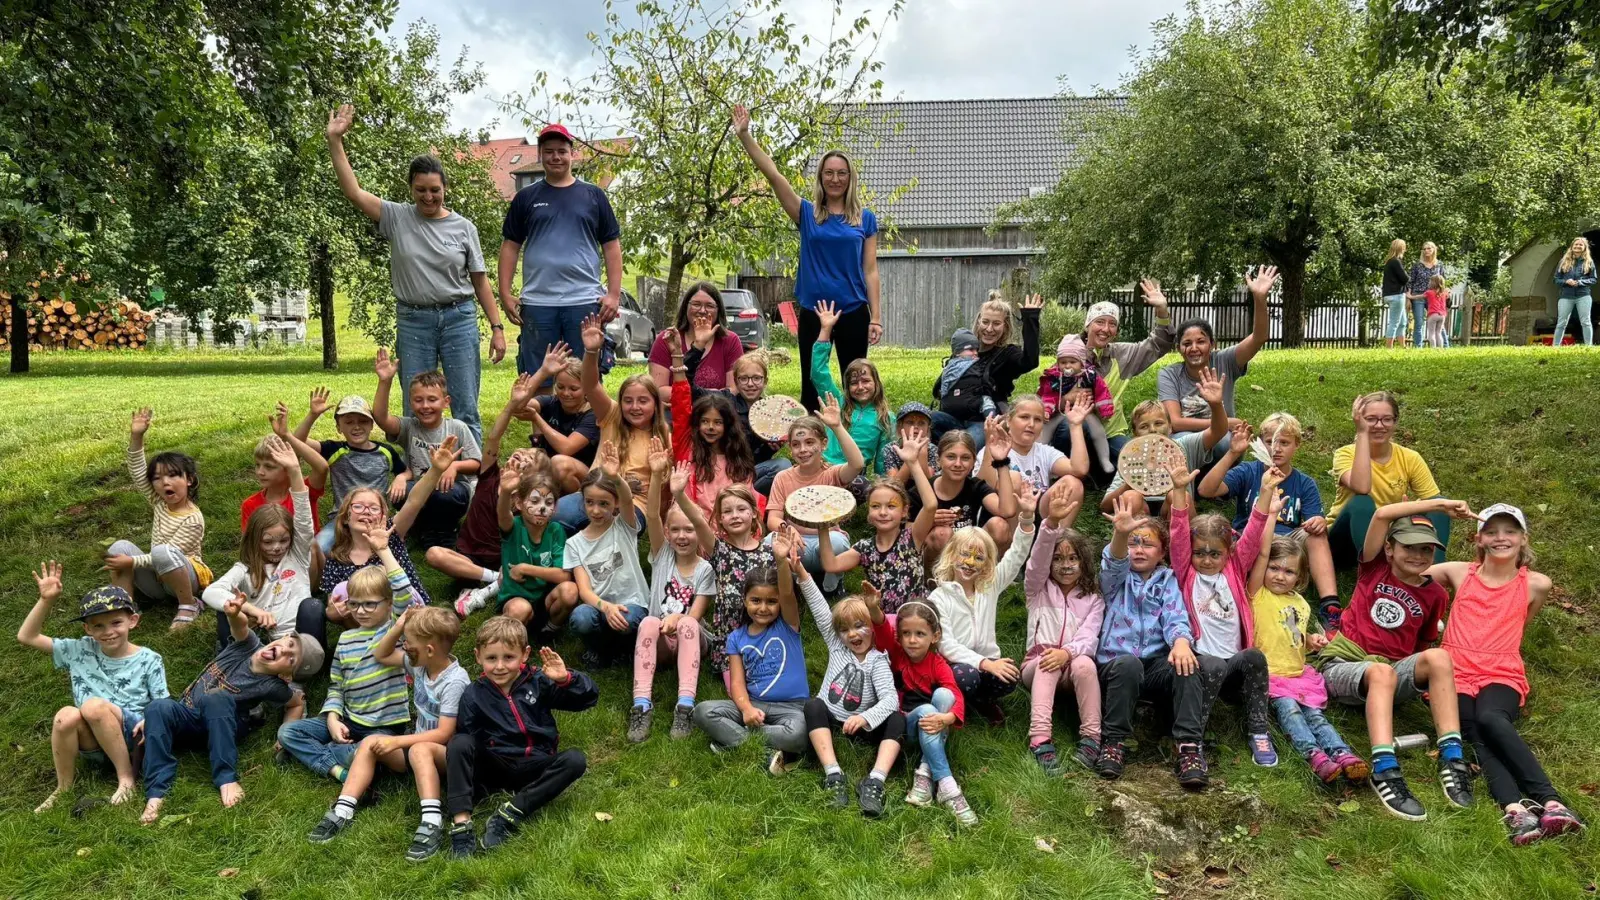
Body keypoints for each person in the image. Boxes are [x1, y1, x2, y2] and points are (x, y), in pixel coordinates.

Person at [326, 104, 504, 441]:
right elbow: (353, 192)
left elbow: (480, 280)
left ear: (445, 188)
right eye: (421, 189)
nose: (428, 196)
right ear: (411, 189)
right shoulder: (397, 217)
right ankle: (417, 477)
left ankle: (472, 482)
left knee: (465, 405)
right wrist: (336, 141)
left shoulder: (464, 227)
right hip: (414, 321)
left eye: (435, 190)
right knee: (416, 408)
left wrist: (496, 328)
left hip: (459, 318)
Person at [1313, 497, 1479, 821]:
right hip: (1346, 666)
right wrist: (1442, 505)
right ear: (1389, 548)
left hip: (1392, 676)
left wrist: (1419, 678)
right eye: (1409, 547)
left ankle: (1452, 757)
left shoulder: (1436, 595)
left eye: (1426, 550)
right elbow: (1381, 514)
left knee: (1439, 657)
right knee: (1381, 674)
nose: (1417, 556)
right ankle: (1384, 768)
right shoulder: (1374, 566)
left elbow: (1424, 643)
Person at [1429, 504, 1585, 844]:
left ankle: (1551, 800)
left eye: (1510, 531)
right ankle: (1516, 809)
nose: (1501, 537)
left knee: (1491, 719)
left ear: (1523, 538)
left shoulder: (1536, 584)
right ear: (1479, 538)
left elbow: (1519, 625)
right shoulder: (1459, 572)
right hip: (1454, 670)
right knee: (1474, 733)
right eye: (1492, 531)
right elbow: (1410, 573)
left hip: (1500, 669)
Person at [733, 104, 880, 412]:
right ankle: (813, 445)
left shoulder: (864, 219)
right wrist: (746, 135)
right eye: (829, 173)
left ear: (850, 177)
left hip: (853, 310)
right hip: (814, 310)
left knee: (856, 383)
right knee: (812, 382)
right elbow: (772, 174)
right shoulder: (806, 213)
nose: (835, 179)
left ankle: (856, 444)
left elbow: (870, 270)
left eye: (841, 173)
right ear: (821, 177)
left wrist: (876, 317)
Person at [306, 607, 470, 862]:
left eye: (409, 642)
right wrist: (399, 625)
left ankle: (432, 821)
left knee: (419, 749)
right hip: (415, 749)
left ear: (429, 650)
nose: (404, 645)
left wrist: (396, 741)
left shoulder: (455, 681)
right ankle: (344, 809)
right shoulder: (420, 665)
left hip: (445, 755)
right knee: (370, 742)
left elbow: (445, 733)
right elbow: (381, 654)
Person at [140, 595, 318, 824]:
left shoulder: (271, 684)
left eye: (291, 659)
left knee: (216, 698)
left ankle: (226, 778)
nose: (284, 650)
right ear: (284, 637)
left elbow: (295, 702)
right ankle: (156, 793)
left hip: (223, 724)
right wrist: (234, 613)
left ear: (286, 675)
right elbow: (240, 625)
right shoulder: (249, 645)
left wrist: (284, 734)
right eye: (289, 644)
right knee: (157, 707)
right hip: (189, 718)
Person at [277, 522, 420, 783]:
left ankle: (336, 756)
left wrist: (384, 551)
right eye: (355, 604)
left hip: (383, 726)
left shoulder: (395, 630)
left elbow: (404, 592)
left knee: (372, 748)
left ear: (389, 606)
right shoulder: (345, 639)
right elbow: (337, 685)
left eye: (370, 604)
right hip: (349, 721)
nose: (362, 610)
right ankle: (338, 769)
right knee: (287, 733)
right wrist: (332, 718)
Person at [446, 618, 597, 858]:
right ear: (478, 657)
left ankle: (511, 812)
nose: (499, 666)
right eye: (491, 658)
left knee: (575, 760)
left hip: (535, 764)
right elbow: (469, 738)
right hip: (497, 765)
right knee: (459, 742)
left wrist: (565, 679)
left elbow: (588, 699)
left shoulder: (538, 682)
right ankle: (462, 826)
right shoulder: (473, 695)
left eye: (508, 657)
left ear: (525, 654)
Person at [20, 570, 167, 813]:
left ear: (133, 621)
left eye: (116, 622)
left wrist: (149, 722)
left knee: (92, 706)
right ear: (88, 629)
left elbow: (163, 706)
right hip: (95, 740)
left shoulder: (149, 659)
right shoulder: (79, 650)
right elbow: (27, 636)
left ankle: (126, 778)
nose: (108, 631)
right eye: (98, 626)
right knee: (66, 714)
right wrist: (46, 600)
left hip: (135, 736)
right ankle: (63, 787)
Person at [1168, 464, 1279, 768]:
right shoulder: (1185, 572)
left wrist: (1266, 490)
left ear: (1228, 553)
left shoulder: (1235, 568)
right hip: (1202, 662)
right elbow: (1178, 535)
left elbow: (1254, 534)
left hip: (1234, 663)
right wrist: (1180, 493)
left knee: (1255, 656)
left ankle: (1258, 730)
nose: (1205, 559)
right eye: (1199, 552)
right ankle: (1194, 737)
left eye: (1214, 553)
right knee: (1214, 664)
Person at [1094, 492, 1207, 788]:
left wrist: (1182, 642)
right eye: (1134, 543)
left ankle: (1189, 748)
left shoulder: (1167, 579)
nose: (1139, 550)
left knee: (1187, 663)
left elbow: (1175, 617)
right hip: (1115, 664)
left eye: (1148, 544)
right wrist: (1121, 533)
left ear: (1162, 553)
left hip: (1155, 664)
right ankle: (1114, 742)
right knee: (1129, 664)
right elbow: (1113, 562)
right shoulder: (1116, 580)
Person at [498, 122, 623, 381]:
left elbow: (611, 246)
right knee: (537, 379)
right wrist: (505, 292)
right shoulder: (525, 198)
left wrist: (612, 294)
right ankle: (542, 423)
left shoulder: (594, 196)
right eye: (550, 151)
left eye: (562, 151)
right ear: (540, 154)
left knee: (585, 378)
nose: (556, 157)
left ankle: (586, 424)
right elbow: (510, 246)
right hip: (538, 302)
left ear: (572, 154)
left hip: (584, 300)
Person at [1247, 533, 1368, 784]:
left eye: (1289, 572)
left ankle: (1342, 753)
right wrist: (1269, 514)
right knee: (1290, 711)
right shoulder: (1258, 594)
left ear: (1300, 577)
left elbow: (1293, 633)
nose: (1280, 576)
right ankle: (1314, 754)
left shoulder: (1301, 603)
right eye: (1274, 568)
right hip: (1272, 674)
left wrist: (1311, 640)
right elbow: (1260, 553)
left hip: (1298, 673)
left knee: (1315, 715)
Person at [1198, 413, 1339, 625]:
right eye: (1270, 441)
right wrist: (1232, 453)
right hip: (1251, 537)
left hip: (1288, 542)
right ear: (1260, 443)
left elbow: (1314, 520)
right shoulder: (1248, 471)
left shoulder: (1304, 483)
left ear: (1296, 445)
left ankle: (1330, 605)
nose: (1276, 448)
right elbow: (1206, 490)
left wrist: (1318, 522)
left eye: (1284, 442)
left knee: (1317, 536)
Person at [429, 374, 547, 613]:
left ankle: (494, 581)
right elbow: (494, 437)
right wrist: (512, 405)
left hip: (503, 560)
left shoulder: (530, 501)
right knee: (434, 554)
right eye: (520, 450)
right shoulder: (489, 474)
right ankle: (494, 581)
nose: (521, 454)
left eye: (529, 458)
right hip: (467, 559)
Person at [202, 437, 326, 659]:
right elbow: (210, 592)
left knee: (313, 606)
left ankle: (299, 669)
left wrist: (296, 471)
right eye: (267, 542)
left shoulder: (297, 556)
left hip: (296, 643)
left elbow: (305, 521)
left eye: (284, 540)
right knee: (227, 608)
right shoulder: (245, 568)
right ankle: (233, 656)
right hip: (260, 639)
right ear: (253, 540)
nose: (277, 548)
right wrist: (251, 610)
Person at [927, 483, 1038, 726]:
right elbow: (946, 645)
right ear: (951, 556)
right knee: (965, 677)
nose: (969, 563)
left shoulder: (990, 585)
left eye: (978, 558)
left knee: (1009, 676)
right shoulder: (939, 597)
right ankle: (958, 702)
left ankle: (982, 700)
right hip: (955, 665)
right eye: (964, 555)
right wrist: (986, 663)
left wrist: (1027, 519)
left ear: (987, 563)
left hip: (986, 661)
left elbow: (1016, 555)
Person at [692, 548, 810, 774]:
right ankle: (766, 753)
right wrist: (746, 709)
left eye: (771, 601)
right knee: (702, 711)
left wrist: (781, 561)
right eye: (756, 600)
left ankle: (733, 740)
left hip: (792, 709)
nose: (763, 608)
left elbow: (787, 594)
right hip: (754, 705)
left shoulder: (788, 625)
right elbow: (737, 683)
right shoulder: (736, 638)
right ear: (745, 600)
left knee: (799, 733)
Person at [797, 569, 903, 818]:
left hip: (864, 728)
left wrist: (865, 718)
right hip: (832, 722)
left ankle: (875, 781)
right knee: (813, 706)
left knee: (898, 719)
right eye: (845, 630)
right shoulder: (837, 648)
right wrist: (802, 572)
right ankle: (833, 774)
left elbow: (890, 699)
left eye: (859, 626)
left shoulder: (878, 661)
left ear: (872, 628)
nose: (852, 634)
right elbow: (820, 610)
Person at [627, 454, 715, 743]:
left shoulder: (705, 570)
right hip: (662, 643)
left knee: (688, 624)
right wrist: (656, 477)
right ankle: (641, 705)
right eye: (675, 529)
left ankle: (685, 706)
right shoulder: (662, 554)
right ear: (666, 532)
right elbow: (651, 514)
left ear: (700, 533)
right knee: (649, 622)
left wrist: (678, 618)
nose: (681, 535)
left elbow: (697, 614)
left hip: (691, 639)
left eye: (689, 529)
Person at [554, 314, 671, 532]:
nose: (634, 407)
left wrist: (663, 527)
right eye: (628, 401)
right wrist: (591, 351)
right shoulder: (613, 416)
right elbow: (589, 384)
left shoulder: (663, 435)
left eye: (643, 401)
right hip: (593, 495)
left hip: (634, 506)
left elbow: (666, 489)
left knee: (613, 531)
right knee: (555, 517)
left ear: (656, 404)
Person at [1327, 392, 1451, 594]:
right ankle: (1379, 579)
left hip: (1389, 539)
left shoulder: (1409, 457)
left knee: (1440, 506)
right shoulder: (1345, 453)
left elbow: (1432, 501)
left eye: (1386, 419)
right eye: (1370, 419)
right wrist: (1362, 435)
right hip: (1343, 541)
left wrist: (1415, 509)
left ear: (1395, 422)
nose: (1379, 425)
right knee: (1362, 502)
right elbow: (1362, 486)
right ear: (1358, 421)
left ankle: (1427, 581)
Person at [320, 438, 457, 616]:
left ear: (383, 516)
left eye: (374, 508)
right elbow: (334, 605)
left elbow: (414, 501)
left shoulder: (391, 532)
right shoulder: (337, 557)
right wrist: (335, 611)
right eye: (358, 507)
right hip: (366, 624)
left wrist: (436, 470)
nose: (366, 512)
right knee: (346, 590)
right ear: (346, 517)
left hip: (410, 615)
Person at [868, 599, 975, 825]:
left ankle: (925, 774)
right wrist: (873, 608)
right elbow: (882, 630)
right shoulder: (896, 654)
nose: (912, 640)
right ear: (899, 636)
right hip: (906, 727)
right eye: (906, 633)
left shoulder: (938, 663)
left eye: (920, 633)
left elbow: (956, 693)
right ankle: (948, 785)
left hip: (932, 726)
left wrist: (948, 717)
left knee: (945, 696)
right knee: (927, 708)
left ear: (934, 636)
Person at [1047, 279, 1175, 466]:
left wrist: (1162, 310)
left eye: (1112, 324)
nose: (1106, 329)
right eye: (1100, 322)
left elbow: (1159, 344)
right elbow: (1042, 400)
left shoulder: (1122, 355)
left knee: (1136, 461)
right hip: (1073, 430)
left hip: (1110, 433)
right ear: (1087, 325)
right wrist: (1066, 398)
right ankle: (1066, 470)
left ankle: (1096, 471)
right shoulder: (1069, 355)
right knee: (1067, 428)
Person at [1020, 490, 1104, 774]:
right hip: (1036, 667)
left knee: (1084, 663)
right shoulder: (1036, 589)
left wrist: (1066, 652)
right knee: (1046, 662)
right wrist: (1051, 524)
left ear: (1084, 563)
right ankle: (1040, 738)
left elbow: (1090, 637)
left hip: (1072, 667)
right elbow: (1038, 560)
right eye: (1059, 558)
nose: (1066, 565)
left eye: (1073, 559)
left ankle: (1092, 737)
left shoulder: (1093, 599)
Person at [106, 408, 210, 630]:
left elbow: (169, 553)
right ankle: (125, 606)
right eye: (157, 478)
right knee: (119, 546)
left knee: (162, 551)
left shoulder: (193, 518)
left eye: (173, 475)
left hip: (185, 581)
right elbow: (136, 469)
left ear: (189, 479)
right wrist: (137, 436)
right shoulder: (159, 502)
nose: (165, 483)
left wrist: (132, 562)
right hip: (156, 582)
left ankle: (189, 605)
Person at [374, 354, 484, 550]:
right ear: (410, 402)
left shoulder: (457, 427)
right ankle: (424, 527)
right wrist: (385, 381)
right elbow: (382, 419)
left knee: (444, 495)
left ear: (446, 401)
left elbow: (478, 464)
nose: (425, 406)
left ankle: (445, 529)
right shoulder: (409, 427)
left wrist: (455, 466)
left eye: (432, 399)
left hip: (452, 492)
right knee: (400, 493)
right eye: (418, 400)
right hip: (420, 488)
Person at [815, 443, 939, 616]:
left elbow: (931, 505)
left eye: (891, 506)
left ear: (904, 511)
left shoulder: (912, 536)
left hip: (916, 618)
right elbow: (831, 564)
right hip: (883, 623)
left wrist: (913, 463)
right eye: (875, 506)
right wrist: (822, 525)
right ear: (868, 513)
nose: (883, 512)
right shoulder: (864, 548)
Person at [1157, 266, 1275, 435]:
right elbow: (1175, 422)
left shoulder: (1225, 360)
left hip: (1222, 437)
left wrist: (1260, 298)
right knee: (1181, 440)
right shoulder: (1169, 374)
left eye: (1201, 341)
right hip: (1187, 438)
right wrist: (1226, 422)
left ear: (1213, 344)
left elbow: (1259, 337)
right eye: (1187, 343)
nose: (1194, 348)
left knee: (1225, 441)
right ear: (1179, 349)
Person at [677, 483, 772, 686]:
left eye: (741, 509)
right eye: (727, 512)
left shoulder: (769, 551)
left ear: (754, 513)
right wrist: (678, 493)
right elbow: (696, 520)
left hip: (765, 637)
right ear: (720, 519)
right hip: (729, 642)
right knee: (738, 690)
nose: (735, 515)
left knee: (765, 687)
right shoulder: (719, 550)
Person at [763, 401, 865, 592]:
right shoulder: (782, 478)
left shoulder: (832, 474)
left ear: (823, 444)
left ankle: (832, 583)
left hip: (825, 546)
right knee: (769, 542)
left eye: (810, 442)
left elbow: (857, 464)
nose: (803, 450)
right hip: (795, 544)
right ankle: (791, 581)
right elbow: (773, 519)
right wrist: (786, 529)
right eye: (796, 445)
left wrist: (837, 427)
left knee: (838, 541)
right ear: (790, 449)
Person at [1099, 373, 1229, 519]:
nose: (1153, 429)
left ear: (1170, 428)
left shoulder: (1184, 446)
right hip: (1142, 515)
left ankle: (1181, 540)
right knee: (1130, 497)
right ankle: (1139, 540)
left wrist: (1216, 404)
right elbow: (1105, 505)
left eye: (1159, 423)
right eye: (1144, 426)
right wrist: (1131, 483)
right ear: (1135, 434)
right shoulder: (1131, 456)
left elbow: (1218, 431)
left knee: (1180, 496)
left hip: (1173, 507)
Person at [293, 391, 407, 554]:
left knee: (390, 554)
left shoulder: (385, 451)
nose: (357, 426)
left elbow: (405, 471)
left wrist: (401, 478)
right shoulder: (334, 450)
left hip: (376, 520)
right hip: (342, 520)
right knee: (317, 549)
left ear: (371, 425)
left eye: (363, 421)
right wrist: (312, 415)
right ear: (339, 427)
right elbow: (297, 441)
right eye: (349, 422)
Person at [479, 455, 579, 636]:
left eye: (548, 503)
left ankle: (549, 630)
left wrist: (526, 568)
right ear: (519, 503)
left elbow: (564, 576)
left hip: (545, 602)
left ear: (555, 508)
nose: (542, 508)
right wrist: (506, 492)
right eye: (534, 501)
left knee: (570, 591)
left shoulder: (555, 530)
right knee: (520, 609)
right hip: (516, 600)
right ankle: (514, 637)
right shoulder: (514, 526)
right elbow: (503, 515)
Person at [931, 293, 1045, 447]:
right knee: (926, 420)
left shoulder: (1007, 354)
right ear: (978, 322)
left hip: (983, 421)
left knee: (965, 445)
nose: (989, 329)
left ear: (1005, 326)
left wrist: (1030, 318)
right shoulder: (964, 352)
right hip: (952, 417)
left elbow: (1030, 361)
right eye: (985, 322)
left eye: (996, 323)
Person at [666, 333, 758, 519]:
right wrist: (677, 355)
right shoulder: (687, 447)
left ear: (728, 426)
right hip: (692, 530)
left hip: (729, 529)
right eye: (705, 421)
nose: (710, 427)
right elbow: (681, 403)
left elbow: (747, 501)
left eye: (718, 422)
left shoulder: (737, 459)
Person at [813, 300, 895, 493]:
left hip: (852, 475)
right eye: (853, 383)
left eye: (866, 381)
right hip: (823, 468)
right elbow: (818, 373)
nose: (860, 387)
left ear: (876, 382)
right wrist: (825, 330)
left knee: (862, 487)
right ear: (847, 387)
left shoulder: (886, 417)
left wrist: (883, 490)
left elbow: (883, 460)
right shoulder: (836, 402)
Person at [520, 346, 599, 493]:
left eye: (574, 389)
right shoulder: (550, 402)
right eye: (560, 387)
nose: (566, 393)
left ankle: (573, 503)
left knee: (559, 463)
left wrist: (537, 418)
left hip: (586, 476)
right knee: (521, 458)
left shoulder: (592, 414)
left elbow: (566, 448)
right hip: (551, 470)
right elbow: (517, 405)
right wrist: (543, 372)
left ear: (586, 388)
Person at [648, 282, 744, 399]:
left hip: (717, 413)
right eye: (696, 304)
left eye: (709, 306)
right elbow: (658, 391)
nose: (702, 310)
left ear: (719, 310)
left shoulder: (730, 341)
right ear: (685, 307)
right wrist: (713, 394)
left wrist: (688, 395)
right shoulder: (667, 339)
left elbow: (734, 390)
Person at [1040, 335, 1116, 472]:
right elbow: (1048, 396)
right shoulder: (1054, 378)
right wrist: (1046, 410)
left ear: (1081, 362)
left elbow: (1102, 392)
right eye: (1063, 362)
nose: (1067, 366)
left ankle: (1104, 459)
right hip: (1059, 412)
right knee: (1046, 429)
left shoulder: (1090, 375)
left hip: (1084, 411)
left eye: (1072, 362)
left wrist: (1105, 409)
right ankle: (1037, 457)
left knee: (1097, 431)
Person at [1553, 235, 1595, 347]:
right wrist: (1566, 281)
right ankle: (1555, 347)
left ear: (1584, 248)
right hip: (1566, 296)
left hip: (1583, 296)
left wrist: (1580, 282)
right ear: (1572, 247)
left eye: (1581, 244)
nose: (1578, 246)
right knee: (1561, 322)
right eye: (1576, 244)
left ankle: (1588, 347)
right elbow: (1556, 279)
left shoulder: (1589, 262)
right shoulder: (1563, 261)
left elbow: (1593, 279)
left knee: (1585, 322)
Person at [1405, 241, 1443, 349]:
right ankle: (1418, 347)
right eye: (1424, 249)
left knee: (1438, 322)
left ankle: (1443, 346)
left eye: (1429, 248)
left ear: (1434, 250)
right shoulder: (1417, 265)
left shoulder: (1439, 265)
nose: (1426, 251)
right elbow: (1410, 282)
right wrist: (1408, 298)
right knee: (1419, 322)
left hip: (1434, 298)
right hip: (1418, 296)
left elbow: (1443, 281)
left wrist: (1445, 293)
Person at [1381, 239, 1409, 349]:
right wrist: (1409, 277)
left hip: (1389, 294)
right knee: (1394, 322)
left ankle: (1403, 345)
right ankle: (1389, 347)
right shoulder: (1396, 261)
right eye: (1404, 247)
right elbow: (1404, 278)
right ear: (1401, 248)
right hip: (1396, 295)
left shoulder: (1389, 261)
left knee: (1403, 321)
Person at [1424, 275, 1449, 348]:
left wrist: (1410, 296)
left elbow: (1419, 296)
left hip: (1433, 315)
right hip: (1442, 316)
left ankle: (1433, 348)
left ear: (1433, 283)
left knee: (1431, 334)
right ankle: (1440, 348)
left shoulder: (1429, 292)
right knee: (1438, 333)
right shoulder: (1444, 293)